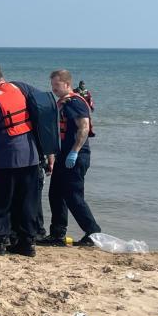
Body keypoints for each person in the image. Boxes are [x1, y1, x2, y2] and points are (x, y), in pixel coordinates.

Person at [0, 64, 41, 257]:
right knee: (27, 202)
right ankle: (27, 243)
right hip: (31, 155)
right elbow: (45, 103)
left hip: (4, 159)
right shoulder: (20, 87)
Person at [39, 70, 101, 247]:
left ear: (67, 84)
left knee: (73, 196)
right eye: (52, 85)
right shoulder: (63, 103)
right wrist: (53, 157)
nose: (54, 89)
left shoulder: (75, 102)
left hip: (76, 156)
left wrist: (75, 151)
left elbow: (84, 128)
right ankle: (57, 234)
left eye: (56, 85)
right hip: (62, 155)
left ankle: (93, 233)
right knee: (56, 194)